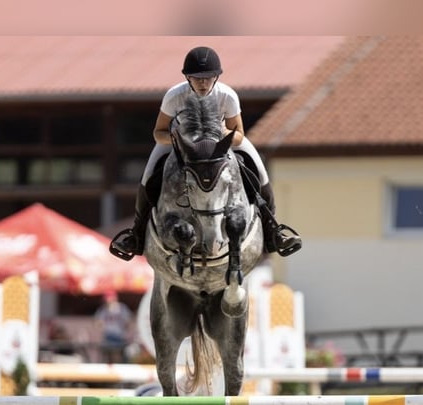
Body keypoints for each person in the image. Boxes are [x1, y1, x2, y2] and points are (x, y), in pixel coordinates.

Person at [110, 46, 302, 261]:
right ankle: (136, 234)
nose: (203, 83)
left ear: (216, 77)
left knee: (259, 170)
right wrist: (177, 139)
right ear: (187, 77)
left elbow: (238, 134)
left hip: (220, 143)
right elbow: (158, 133)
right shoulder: (175, 96)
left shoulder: (227, 95)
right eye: (197, 78)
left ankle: (273, 231)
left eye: (208, 78)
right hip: (182, 143)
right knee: (147, 177)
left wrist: (217, 133)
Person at [94, 291, 133, 363]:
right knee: (108, 355)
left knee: (121, 356)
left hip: (120, 337)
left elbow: (128, 322)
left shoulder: (122, 308)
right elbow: (98, 323)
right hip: (108, 337)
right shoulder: (103, 310)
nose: (108, 301)